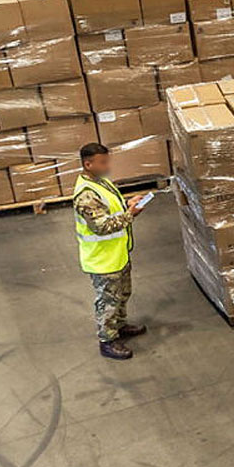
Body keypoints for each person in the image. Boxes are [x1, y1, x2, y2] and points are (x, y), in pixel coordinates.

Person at [73, 143, 149, 361]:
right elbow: (101, 226)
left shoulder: (100, 182)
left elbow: (111, 206)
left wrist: (127, 203)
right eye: (103, 162)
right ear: (88, 164)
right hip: (103, 260)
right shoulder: (86, 195)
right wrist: (130, 215)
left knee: (122, 294)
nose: (107, 165)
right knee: (108, 301)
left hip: (117, 254)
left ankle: (119, 326)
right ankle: (107, 340)